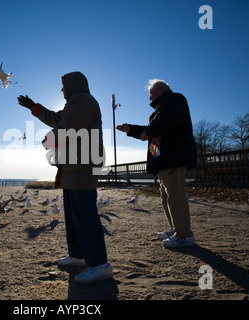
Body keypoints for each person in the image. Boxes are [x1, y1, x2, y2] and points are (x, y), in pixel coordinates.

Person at [17, 71, 112, 283]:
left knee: (85, 217)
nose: (61, 90)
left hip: (82, 168)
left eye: (64, 86)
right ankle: (78, 256)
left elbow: (65, 129)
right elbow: (57, 119)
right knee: (73, 217)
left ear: (73, 85)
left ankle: (100, 265)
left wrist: (47, 142)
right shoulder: (74, 104)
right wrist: (35, 107)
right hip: (72, 168)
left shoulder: (83, 101)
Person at [116, 79, 197, 248]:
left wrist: (148, 132)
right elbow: (151, 130)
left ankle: (184, 234)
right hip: (165, 160)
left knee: (175, 195)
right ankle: (176, 229)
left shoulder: (174, 100)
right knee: (166, 196)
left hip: (173, 158)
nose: (149, 99)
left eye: (151, 94)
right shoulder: (162, 108)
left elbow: (161, 124)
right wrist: (130, 129)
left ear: (161, 89)